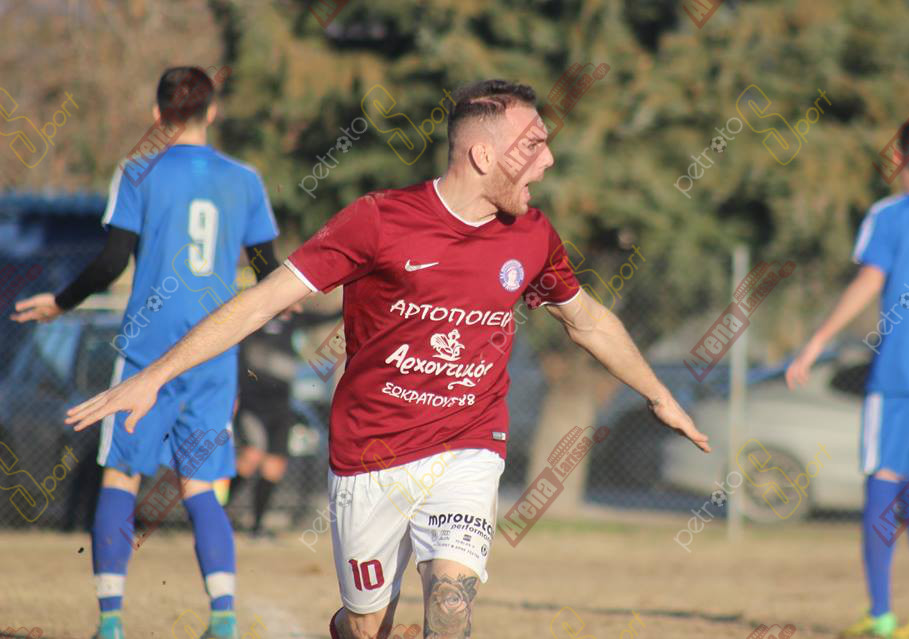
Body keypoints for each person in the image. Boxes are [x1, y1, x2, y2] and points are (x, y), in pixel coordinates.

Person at [64, 78, 709, 639]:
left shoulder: (532, 235)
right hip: (370, 454)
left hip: (469, 445)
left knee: (451, 605)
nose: (548, 160)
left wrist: (659, 395)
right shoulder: (378, 221)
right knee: (368, 623)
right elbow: (260, 302)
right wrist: (153, 376)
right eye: (533, 145)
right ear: (483, 154)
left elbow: (587, 319)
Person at [13, 67, 286, 639]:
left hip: (146, 352)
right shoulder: (244, 180)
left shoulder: (138, 171)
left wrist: (62, 302)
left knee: (121, 477)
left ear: (157, 114)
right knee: (201, 488)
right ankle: (223, 618)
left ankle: (111, 621)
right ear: (212, 112)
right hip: (213, 352)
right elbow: (268, 273)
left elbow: (112, 261)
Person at [786, 120, 909, 638]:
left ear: (898, 159)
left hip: (898, 373)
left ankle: (881, 613)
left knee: (883, 480)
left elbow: (869, 280)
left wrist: (817, 340)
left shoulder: (888, 214)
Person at [231, 316, 299, 536]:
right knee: (250, 458)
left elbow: (325, 316)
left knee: (274, 467)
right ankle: (213, 514)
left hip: (280, 410)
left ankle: (257, 526)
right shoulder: (254, 319)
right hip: (253, 408)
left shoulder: (294, 321)